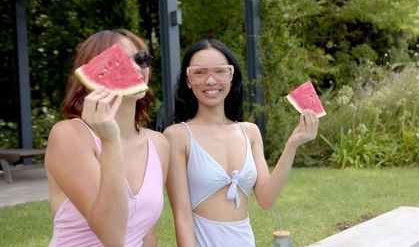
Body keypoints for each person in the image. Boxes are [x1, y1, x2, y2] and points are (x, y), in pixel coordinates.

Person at [164, 39, 319, 246]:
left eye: (220, 71)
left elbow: (266, 199)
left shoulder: (250, 132)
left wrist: (292, 144)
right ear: (188, 80)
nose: (210, 80)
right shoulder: (177, 136)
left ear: (231, 76)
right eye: (199, 73)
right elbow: (182, 217)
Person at [44, 29, 169, 247]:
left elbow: (148, 235)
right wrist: (110, 142)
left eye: (141, 59)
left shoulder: (159, 144)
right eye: (118, 61)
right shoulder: (69, 135)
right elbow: (112, 235)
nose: (136, 68)